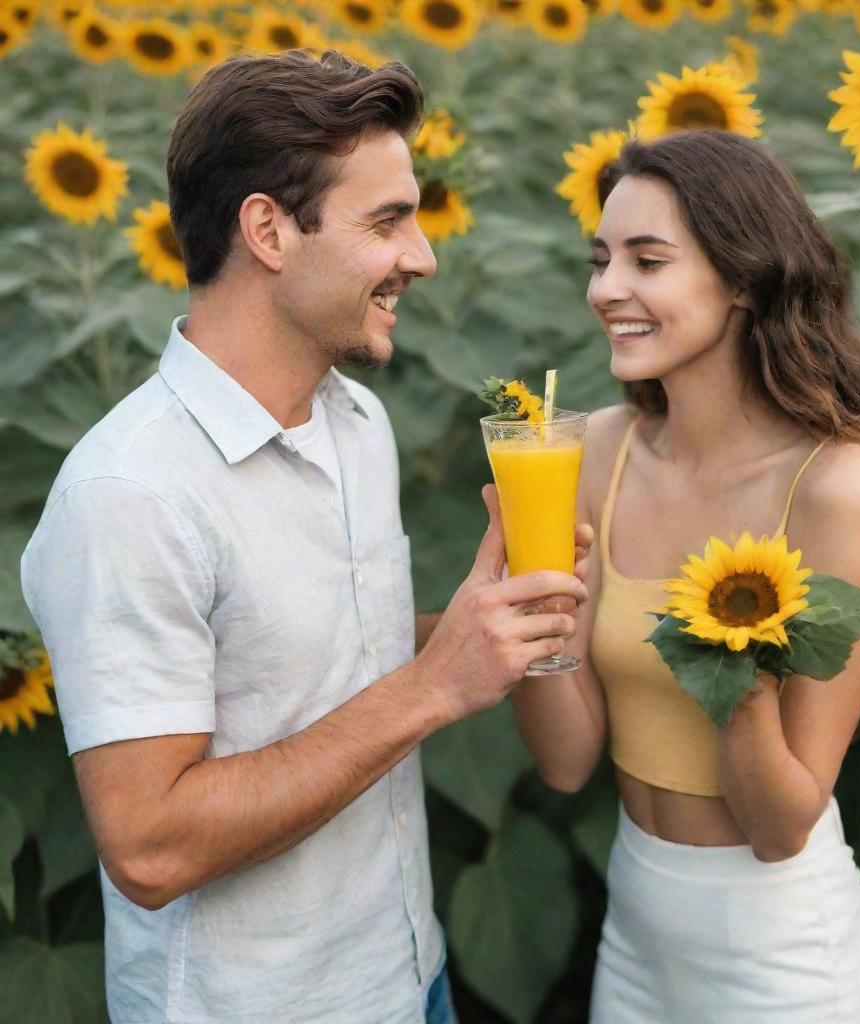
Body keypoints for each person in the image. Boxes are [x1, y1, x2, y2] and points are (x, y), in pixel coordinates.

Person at [20, 50, 589, 1024]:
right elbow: (149, 846)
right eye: (386, 222)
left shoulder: (355, 422)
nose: (423, 255)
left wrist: (470, 629)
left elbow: (324, 654)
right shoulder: (131, 493)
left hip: (408, 974)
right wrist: (432, 685)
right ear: (268, 230)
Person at [512, 130, 860, 1023]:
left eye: (647, 260)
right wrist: (532, 598)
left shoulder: (835, 487)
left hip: (785, 957)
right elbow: (565, 762)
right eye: (601, 260)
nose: (606, 290)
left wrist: (734, 667)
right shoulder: (594, 451)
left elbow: (781, 825)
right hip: (633, 937)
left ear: (744, 279)